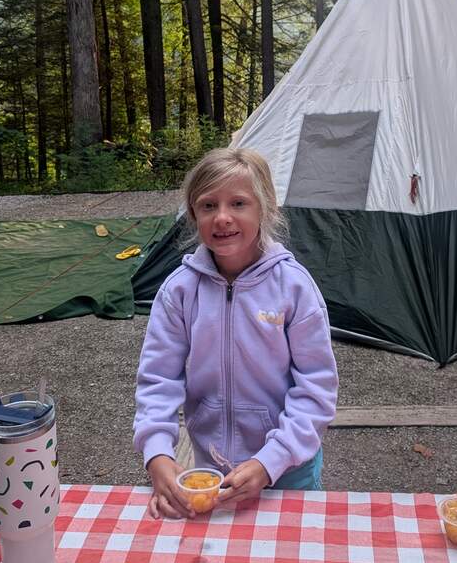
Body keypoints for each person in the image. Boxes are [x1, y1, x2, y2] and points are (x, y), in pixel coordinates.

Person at [133, 146, 339, 519]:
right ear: (193, 213)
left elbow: (316, 387)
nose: (222, 218)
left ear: (266, 208)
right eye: (208, 205)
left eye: (239, 203)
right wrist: (158, 454)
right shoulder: (179, 291)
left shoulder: (293, 287)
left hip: (287, 469)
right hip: (210, 469)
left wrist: (270, 461)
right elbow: (158, 380)